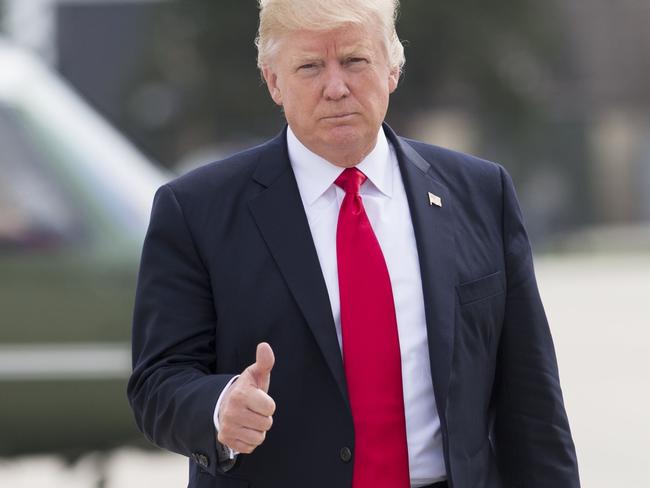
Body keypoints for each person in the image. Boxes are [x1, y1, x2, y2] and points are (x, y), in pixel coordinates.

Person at [127, 1, 580, 487]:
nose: (336, 87)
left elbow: (533, 403)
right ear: (274, 81)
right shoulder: (195, 210)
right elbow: (158, 383)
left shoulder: (480, 193)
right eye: (309, 67)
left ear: (392, 69)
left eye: (355, 61)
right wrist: (219, 408)